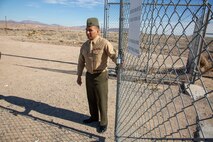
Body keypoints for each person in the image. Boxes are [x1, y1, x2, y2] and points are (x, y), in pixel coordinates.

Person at [76, 17, 117, 133]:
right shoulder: (84, 46)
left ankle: (103, 122)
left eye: (90, 30)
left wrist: (119, 62)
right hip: (89, 75)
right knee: (91, 98)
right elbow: (81, 62)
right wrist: (79, 76)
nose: (88, 32)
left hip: (101, 76)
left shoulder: (104, 43)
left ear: (98, 31)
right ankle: (94, 117)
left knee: (101, 100)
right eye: (86, 30)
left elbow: (113, 55)